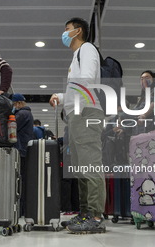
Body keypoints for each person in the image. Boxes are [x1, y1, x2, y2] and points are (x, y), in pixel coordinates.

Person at [49, 17, 106, 234]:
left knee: (90, 162)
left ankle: (96, 215)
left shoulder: (87, 48)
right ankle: (85, 212)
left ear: (78, 31)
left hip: (87, 112)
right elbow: (78, 87)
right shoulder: (76, 56)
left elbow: (88, 78)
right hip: (76, 114)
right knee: (81, 166)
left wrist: (69, 97)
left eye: (67, 30)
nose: (64, 34)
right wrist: (62, 97)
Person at [11, 93, 33, 216]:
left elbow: (11, 127)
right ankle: (22, 209)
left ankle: (20, 209)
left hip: (21, 151)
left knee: (20, 181)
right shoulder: (26, 113)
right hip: (23, 150)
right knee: (22, 180)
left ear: (18, 103)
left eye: (13, 104)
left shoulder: (22, 114)